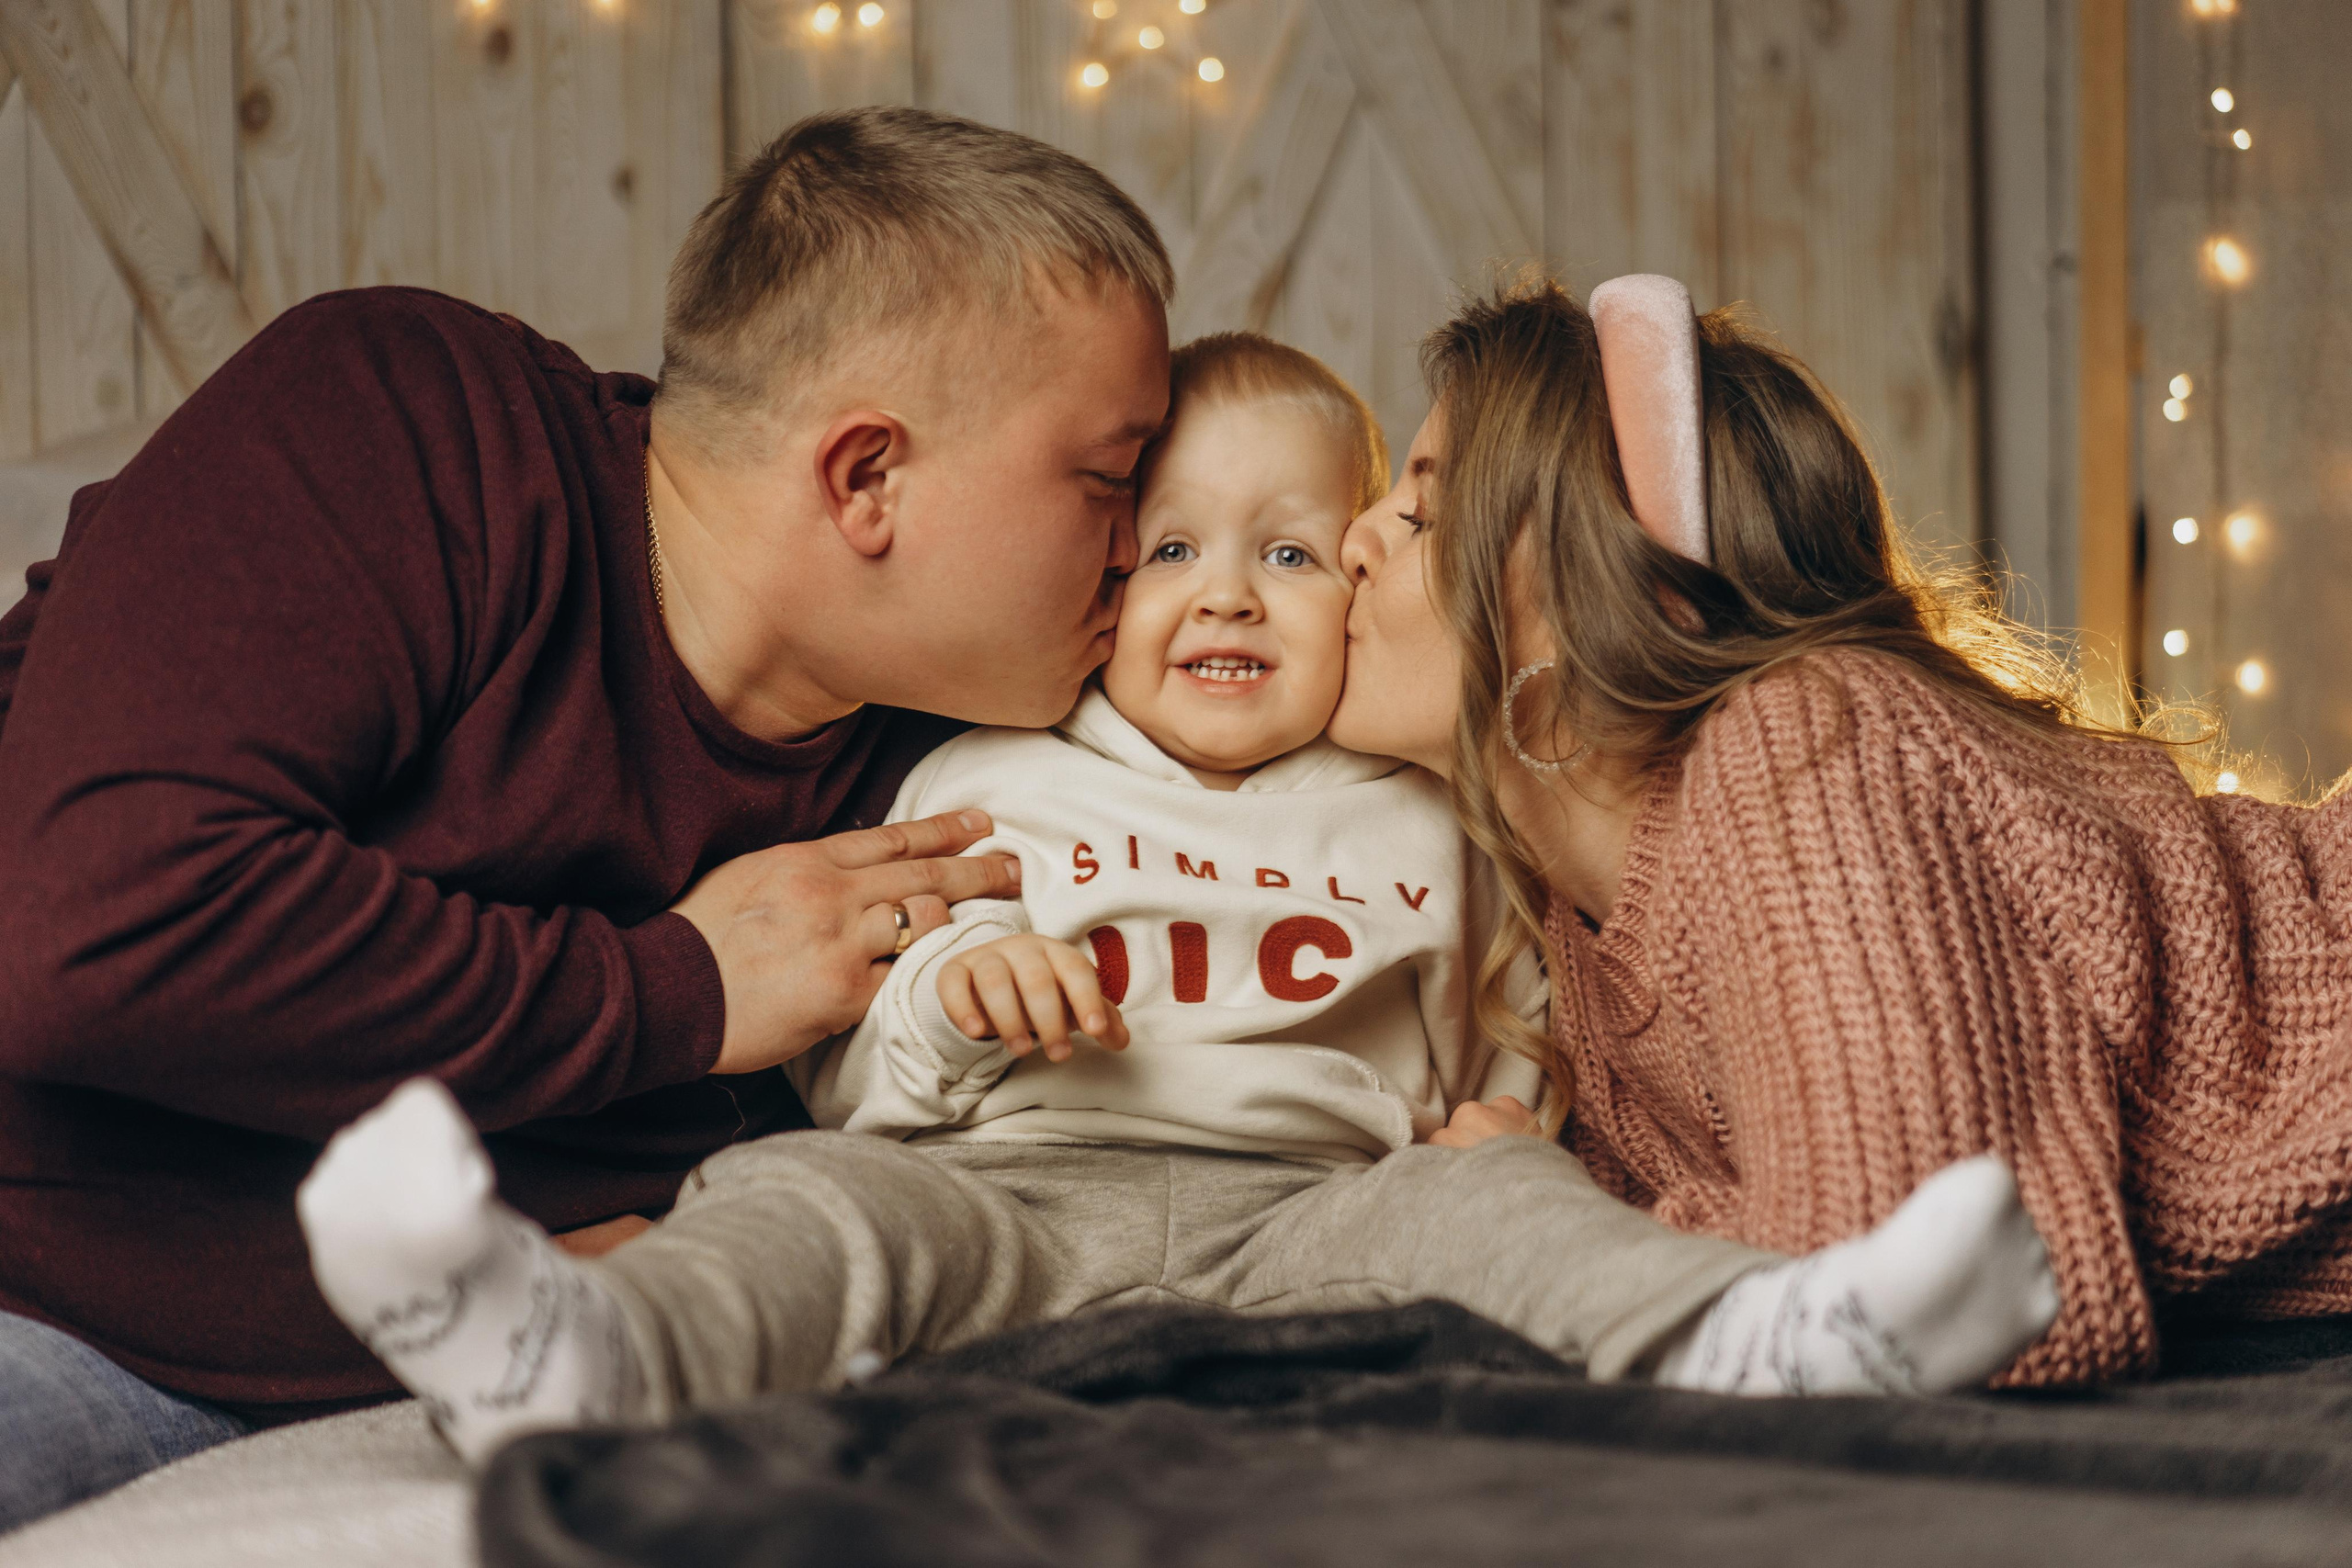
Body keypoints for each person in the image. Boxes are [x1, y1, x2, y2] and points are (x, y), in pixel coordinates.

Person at [296, 330, 2059, 1462]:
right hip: (1001, 1189)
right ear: (1094, 583)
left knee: (1498, 1215)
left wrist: (1513, 1122)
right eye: (1169, 552)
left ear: (1358, 580)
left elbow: (1534, 1018)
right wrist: (951, 1003)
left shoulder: (1430, 812)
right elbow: (850, 1046)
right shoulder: (987, 771)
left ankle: (1763, 1336)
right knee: (798, 1205)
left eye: (1292, 550)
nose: (1228, 595)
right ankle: (574, 1351)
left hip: (1310, 1217)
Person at [0, 107, 1171, 1530]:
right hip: (48, 1298)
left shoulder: (982, 745)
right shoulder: (419, 426)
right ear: (867, 475)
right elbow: (99, 932)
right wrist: (679, 985)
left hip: (490, 1374)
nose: (1139, 547)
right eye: (1110, 477)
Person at [1329, 273, 2352, 1388]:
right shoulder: (1577, 930)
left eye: (1421, 516)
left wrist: (1539, 1218)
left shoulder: (1800, 743)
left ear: (1593, 592)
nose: (1352, 544)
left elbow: (1962, 1294)